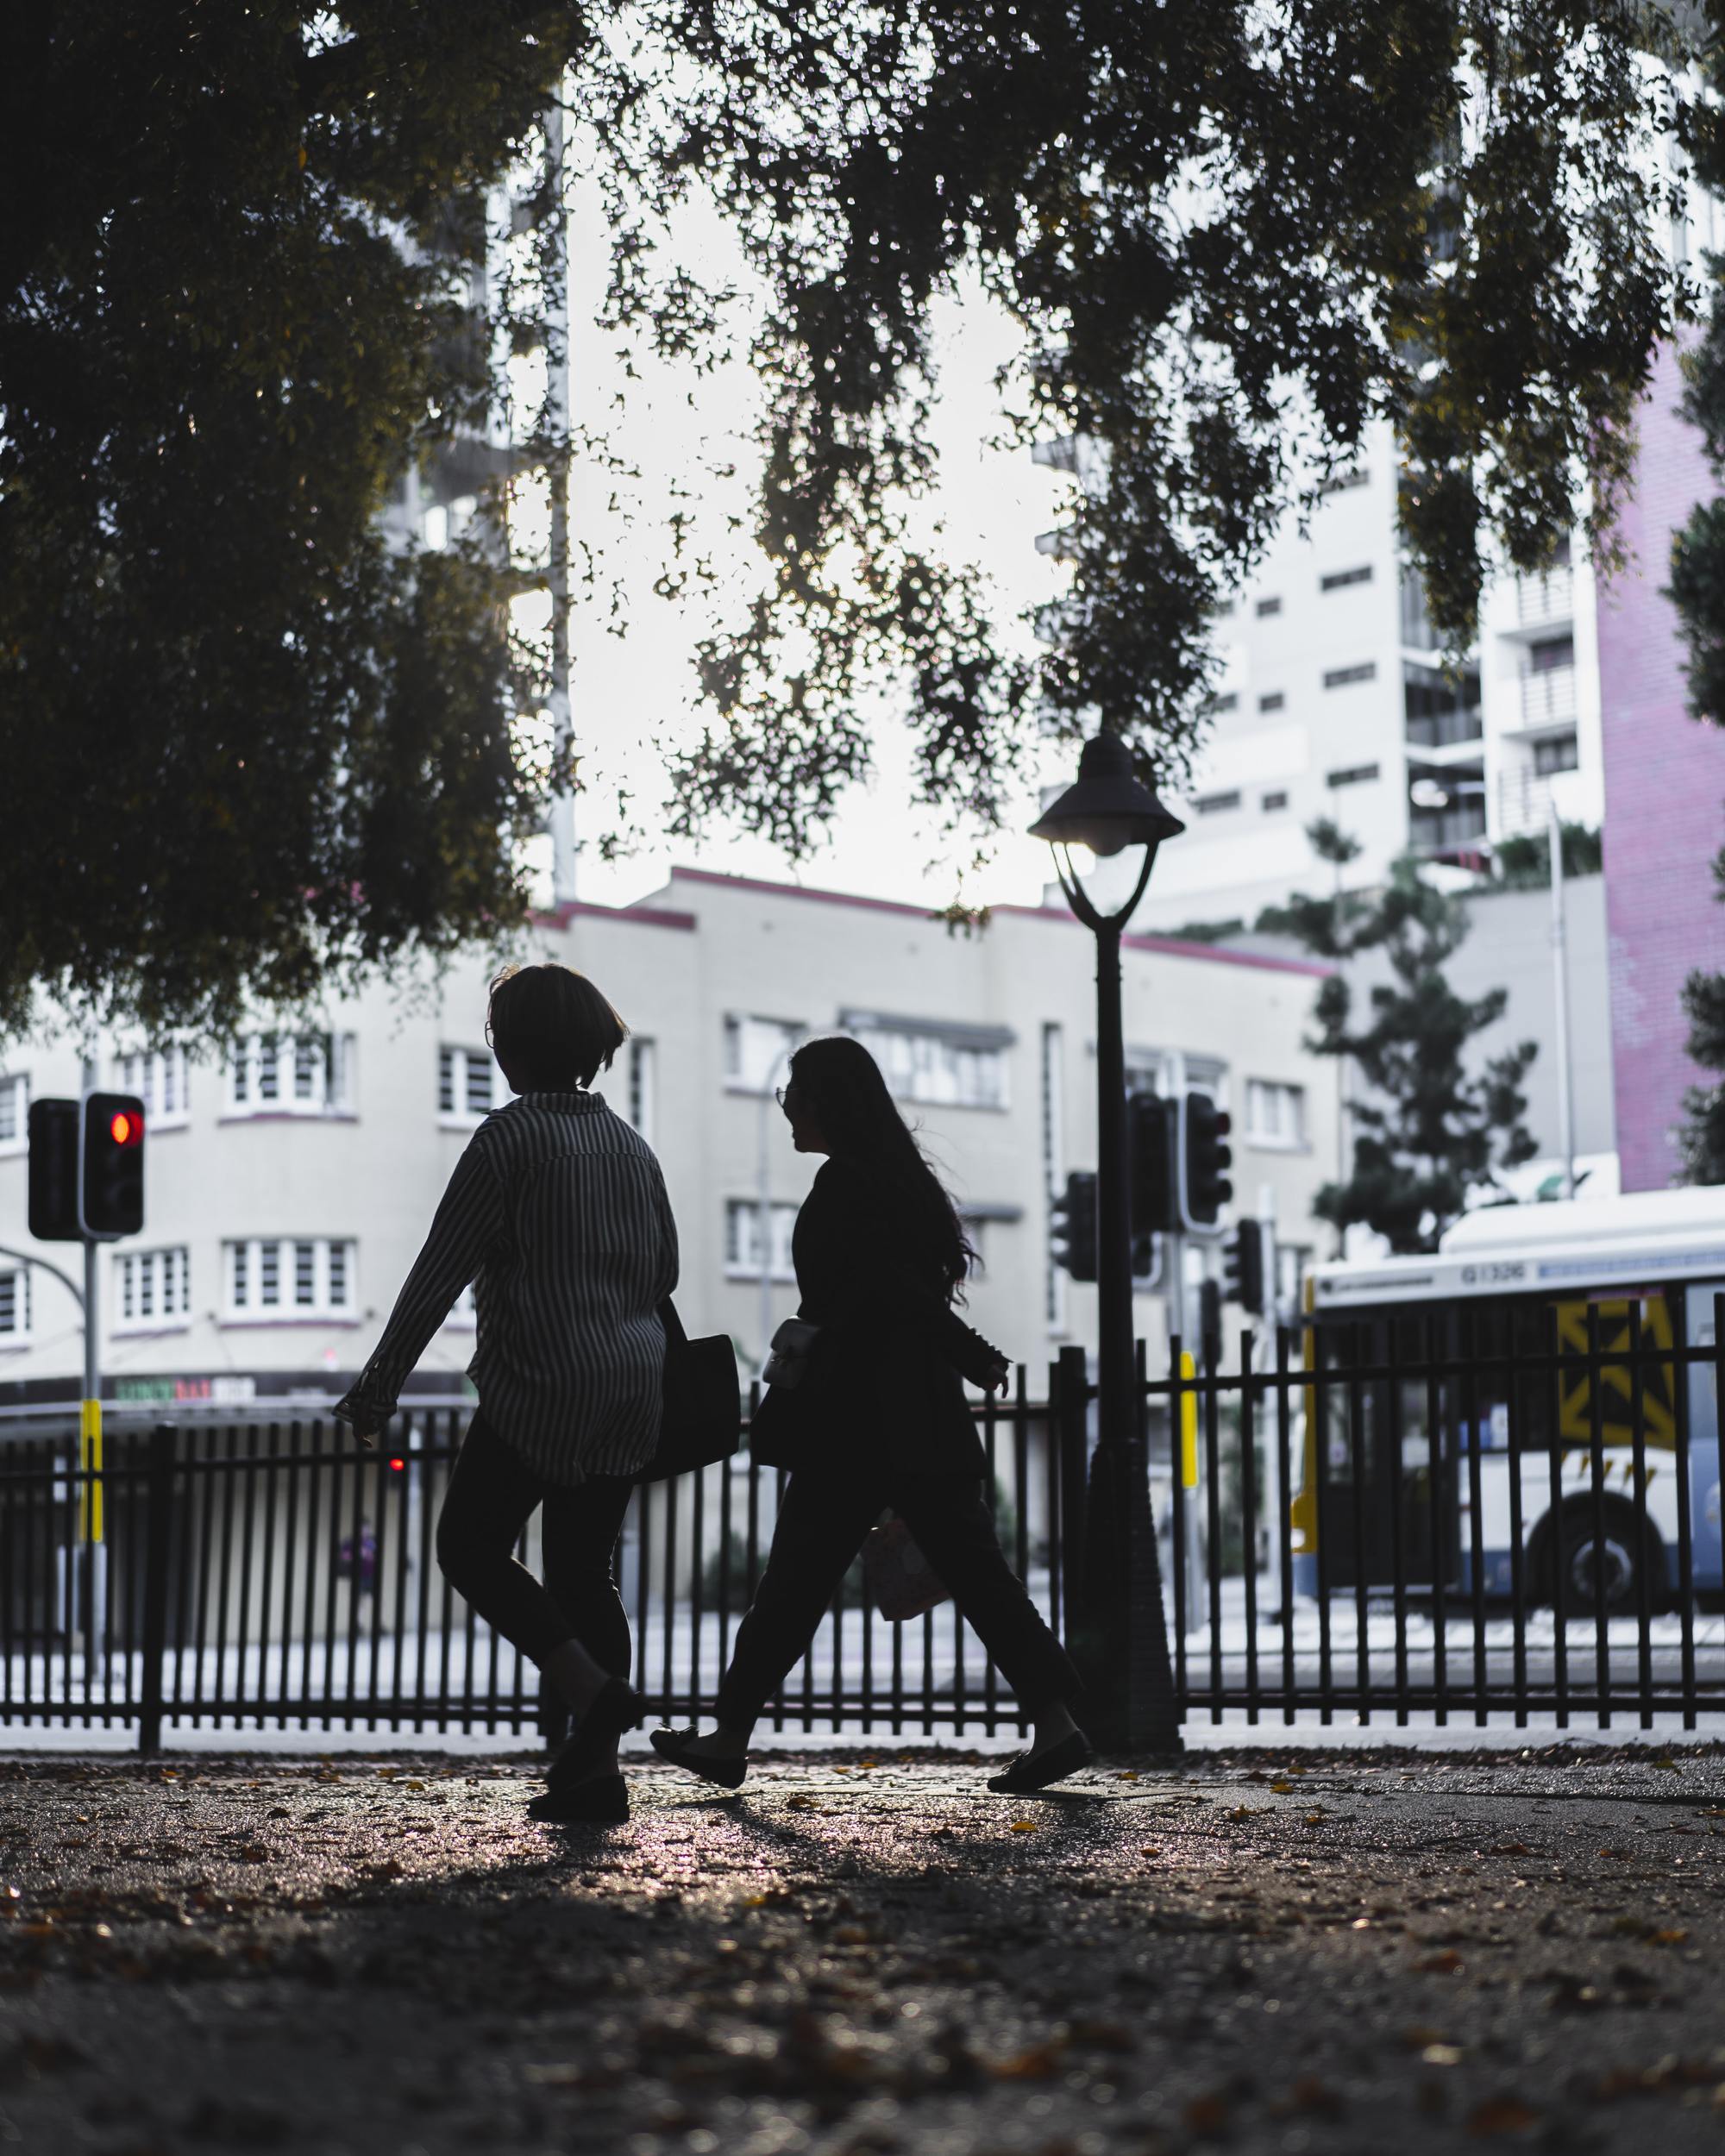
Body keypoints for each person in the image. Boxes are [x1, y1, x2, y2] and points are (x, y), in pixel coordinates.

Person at [652, 1035, 1090, 1796]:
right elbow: (907, 1297)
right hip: (922, 1422)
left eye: (796, 1088)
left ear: (830, 1100)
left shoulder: (844, 1188)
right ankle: (1057, 1721)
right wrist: (965, 1355)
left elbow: (889, 1297)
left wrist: (966, 1348)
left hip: (853, 1425)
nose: (786, 1102)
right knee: (979, 1577)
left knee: (791, 1587)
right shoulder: (897, 1184)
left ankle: (727, 1740)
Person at [335, 962, 677, 1824]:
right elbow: (663, 1270)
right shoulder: (634, 1148)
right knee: (582, 1573)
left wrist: (377, 1388)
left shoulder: (507, 1140)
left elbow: (436, 1275)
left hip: (541, 1384)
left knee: (469, 1546)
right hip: (631, 1385)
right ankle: (594, 1777)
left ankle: (590, 1694)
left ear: (511, 1047)